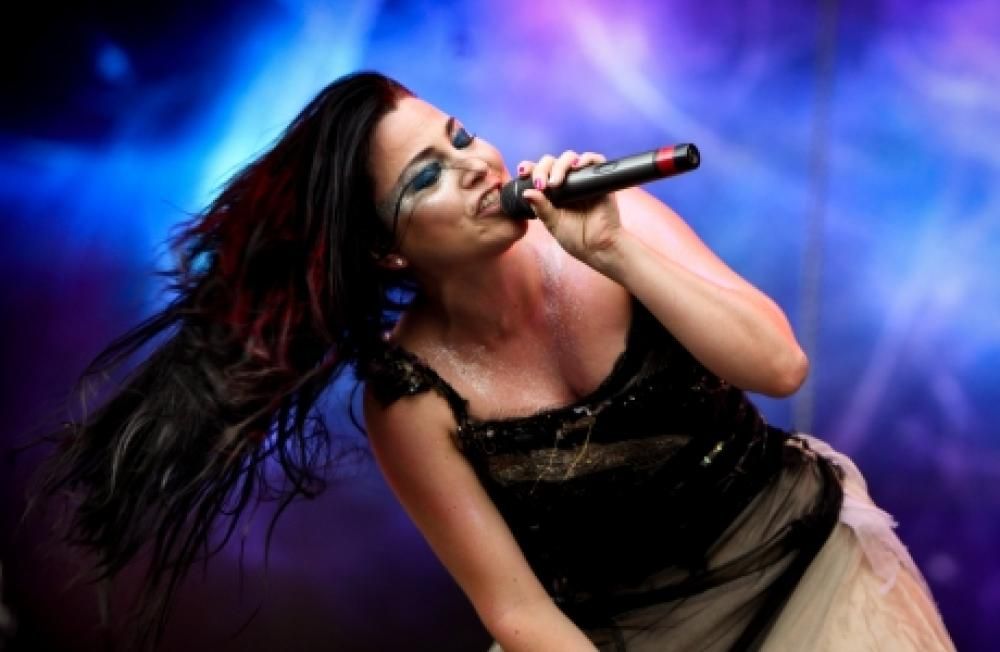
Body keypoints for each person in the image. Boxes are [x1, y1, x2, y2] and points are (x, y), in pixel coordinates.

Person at [37, 71, 954, 651]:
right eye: (426, 176)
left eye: (459, 136)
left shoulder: (617, 225)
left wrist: (616, 253)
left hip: (804, 570)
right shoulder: (410, 398)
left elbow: (780, 366)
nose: (475, 164)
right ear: (387, 252)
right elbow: (515, 610)